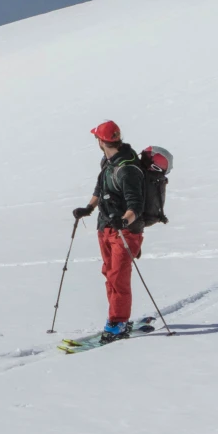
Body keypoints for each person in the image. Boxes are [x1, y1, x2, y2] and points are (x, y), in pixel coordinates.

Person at [72, 120, 147, 339]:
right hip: (105, 227)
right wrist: (89, 208)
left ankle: (118, 322)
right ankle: (116, 317)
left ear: (102, 140)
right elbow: (100, 187)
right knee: (109, 273)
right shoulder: (108, 161)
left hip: (125, 232)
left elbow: (136, 205)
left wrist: (124, 222)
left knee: (118, 276)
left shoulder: (127, 169)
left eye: (96, 137)